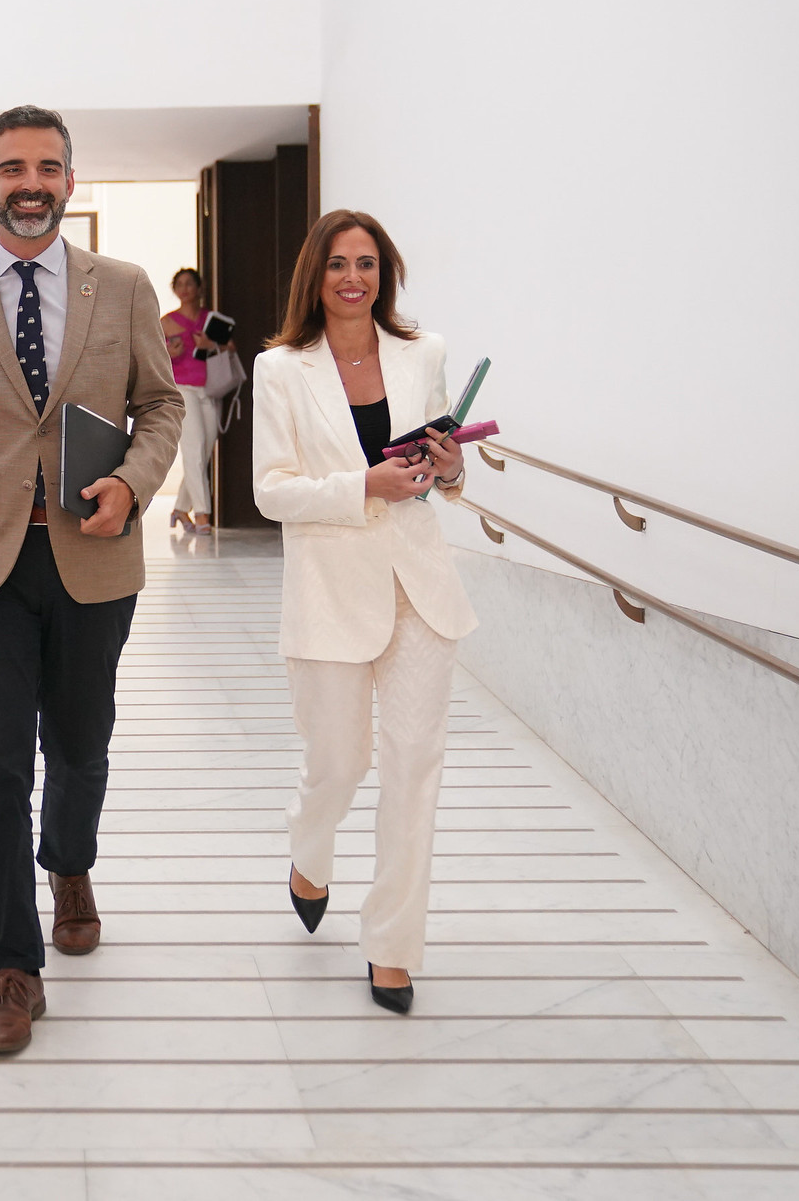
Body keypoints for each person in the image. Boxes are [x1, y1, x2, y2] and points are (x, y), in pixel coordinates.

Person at [0, 105, 182, 1054]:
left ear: (68, 179)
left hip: (94, 551)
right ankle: (13, 965)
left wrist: (132, 487)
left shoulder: (126, 287)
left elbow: (161, 408)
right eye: (11, 166)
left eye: (47, 166)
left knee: (81, 741)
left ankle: (69, 863)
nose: (30, 181)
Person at [250, 209, 478, 1014]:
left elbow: (442, 474)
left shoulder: (426, 354)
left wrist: (447, 469)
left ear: (386, 275)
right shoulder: (280, 368)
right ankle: (309, 850)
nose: (355, 277)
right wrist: (362, 487)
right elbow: (270, 491)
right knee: (339, 765)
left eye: (369, 264)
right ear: (315, 274)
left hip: (420, 586)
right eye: (340, 263)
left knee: (414, 763)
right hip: (328, 592)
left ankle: (392, 944)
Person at [161, 267, 228, 532]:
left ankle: (179, 508)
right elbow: (153, 356)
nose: (185, 288)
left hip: (209, 389)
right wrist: (171, 353)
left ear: (199, 288)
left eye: (190, 284)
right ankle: (202, 514)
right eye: (180, 284)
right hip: (182, 389)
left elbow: (230, 348)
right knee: (193, 449)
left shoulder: (211, 319)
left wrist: (210, 347)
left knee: (204, 450)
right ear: (175, 290)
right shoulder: (166, 322)